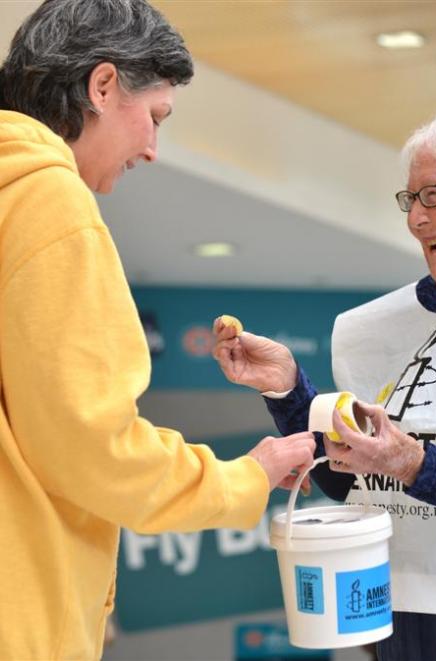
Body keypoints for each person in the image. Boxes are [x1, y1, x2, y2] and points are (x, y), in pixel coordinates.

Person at [0, 1, 316, 658]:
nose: (151, 148)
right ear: (104, 85)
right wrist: (248, 477)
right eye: (155, 118)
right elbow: (91, 443)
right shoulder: (47, 200)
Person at [214, 105, 436, 661]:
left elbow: (404, 467)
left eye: (434, 194)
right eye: (410, 199)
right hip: (396, 613)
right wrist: (289, 392)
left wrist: (415, 464)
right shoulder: (374, 327)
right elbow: (351, 483)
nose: (416, 218)